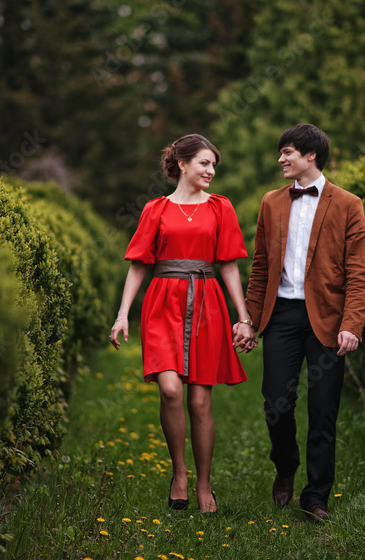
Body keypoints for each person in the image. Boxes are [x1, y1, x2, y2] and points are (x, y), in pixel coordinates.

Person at [110, 133, 257, 514]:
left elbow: (229, 263)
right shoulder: (155, 209)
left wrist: (243, 317)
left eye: (213, 165)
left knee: (199, 400)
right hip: (162, 304)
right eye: (205, 163)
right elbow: (140, 262)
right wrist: (123, 313)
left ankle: (205, 484)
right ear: (183, 164)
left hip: (207, 301)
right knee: (171, 390)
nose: (211, 171)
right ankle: (179, 473)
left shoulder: (220, 208)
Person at [242, 124, 365, 522]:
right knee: (275, 403)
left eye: (288, 152)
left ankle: (316, 496)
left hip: (329, 322)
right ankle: (285, 467)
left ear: (311, 155)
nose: (281, 159)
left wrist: (351, 323)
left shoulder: (349, 204)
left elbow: (359, 273)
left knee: (323, 409)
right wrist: (248, 319)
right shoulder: (270, 202)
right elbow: (260, 267)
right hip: (281, 315)